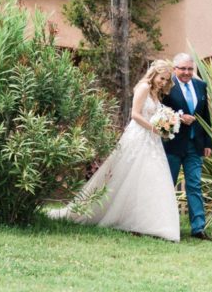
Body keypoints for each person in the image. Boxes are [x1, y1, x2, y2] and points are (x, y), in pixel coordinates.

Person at [48, 60, 180, 242]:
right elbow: (134, 114)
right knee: (127, 175)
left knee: (150, 178)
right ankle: (124, 218)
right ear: (154, 74)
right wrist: (153, 128)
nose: (163, 82)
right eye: (161, 78)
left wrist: (165, 127)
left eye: (166, 80)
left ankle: (151, 224)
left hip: (152, 141)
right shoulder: (143, 87)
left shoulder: (157, 93)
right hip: (138, 137)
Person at [162, 53, 212, 241]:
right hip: (172, 145)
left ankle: (198, 228)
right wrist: (179, 117)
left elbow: (206, 115)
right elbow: (160, 112)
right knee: (168, 185)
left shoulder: (201, 86)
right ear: (175, 69)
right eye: (182, 68)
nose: (186, 72)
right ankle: (165, 226)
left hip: (195, 145)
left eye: (190, 69)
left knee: (195, 185)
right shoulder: (167, 85)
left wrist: (208, 142)